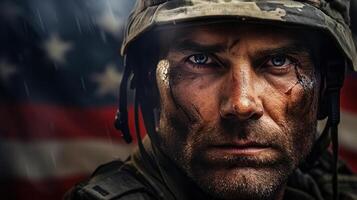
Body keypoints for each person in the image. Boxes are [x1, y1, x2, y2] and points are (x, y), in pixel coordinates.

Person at [66, 0, 357, 200]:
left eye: (278, 61)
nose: (242, 104)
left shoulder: (330, 189)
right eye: (201, 60)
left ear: (326, 86)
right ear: (149, 84)